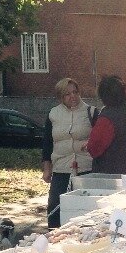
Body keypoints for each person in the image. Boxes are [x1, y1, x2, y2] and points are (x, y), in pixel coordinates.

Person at [42, 77, 98, 229]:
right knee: (55, 207)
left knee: (84, 209)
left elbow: (99, 139)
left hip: (86, 168)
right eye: (67, 94)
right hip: (61, 168)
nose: (73, 96)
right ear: (60, 97)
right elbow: (47, 143)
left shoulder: (91, 112)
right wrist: (47, 168)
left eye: (75, 92)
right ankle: (54, 237)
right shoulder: (53, 114)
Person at [85, 75, 126, 174]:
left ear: (103, 95)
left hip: (113, 174)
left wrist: (87, 145)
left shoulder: (107, 117)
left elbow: (94, 148)